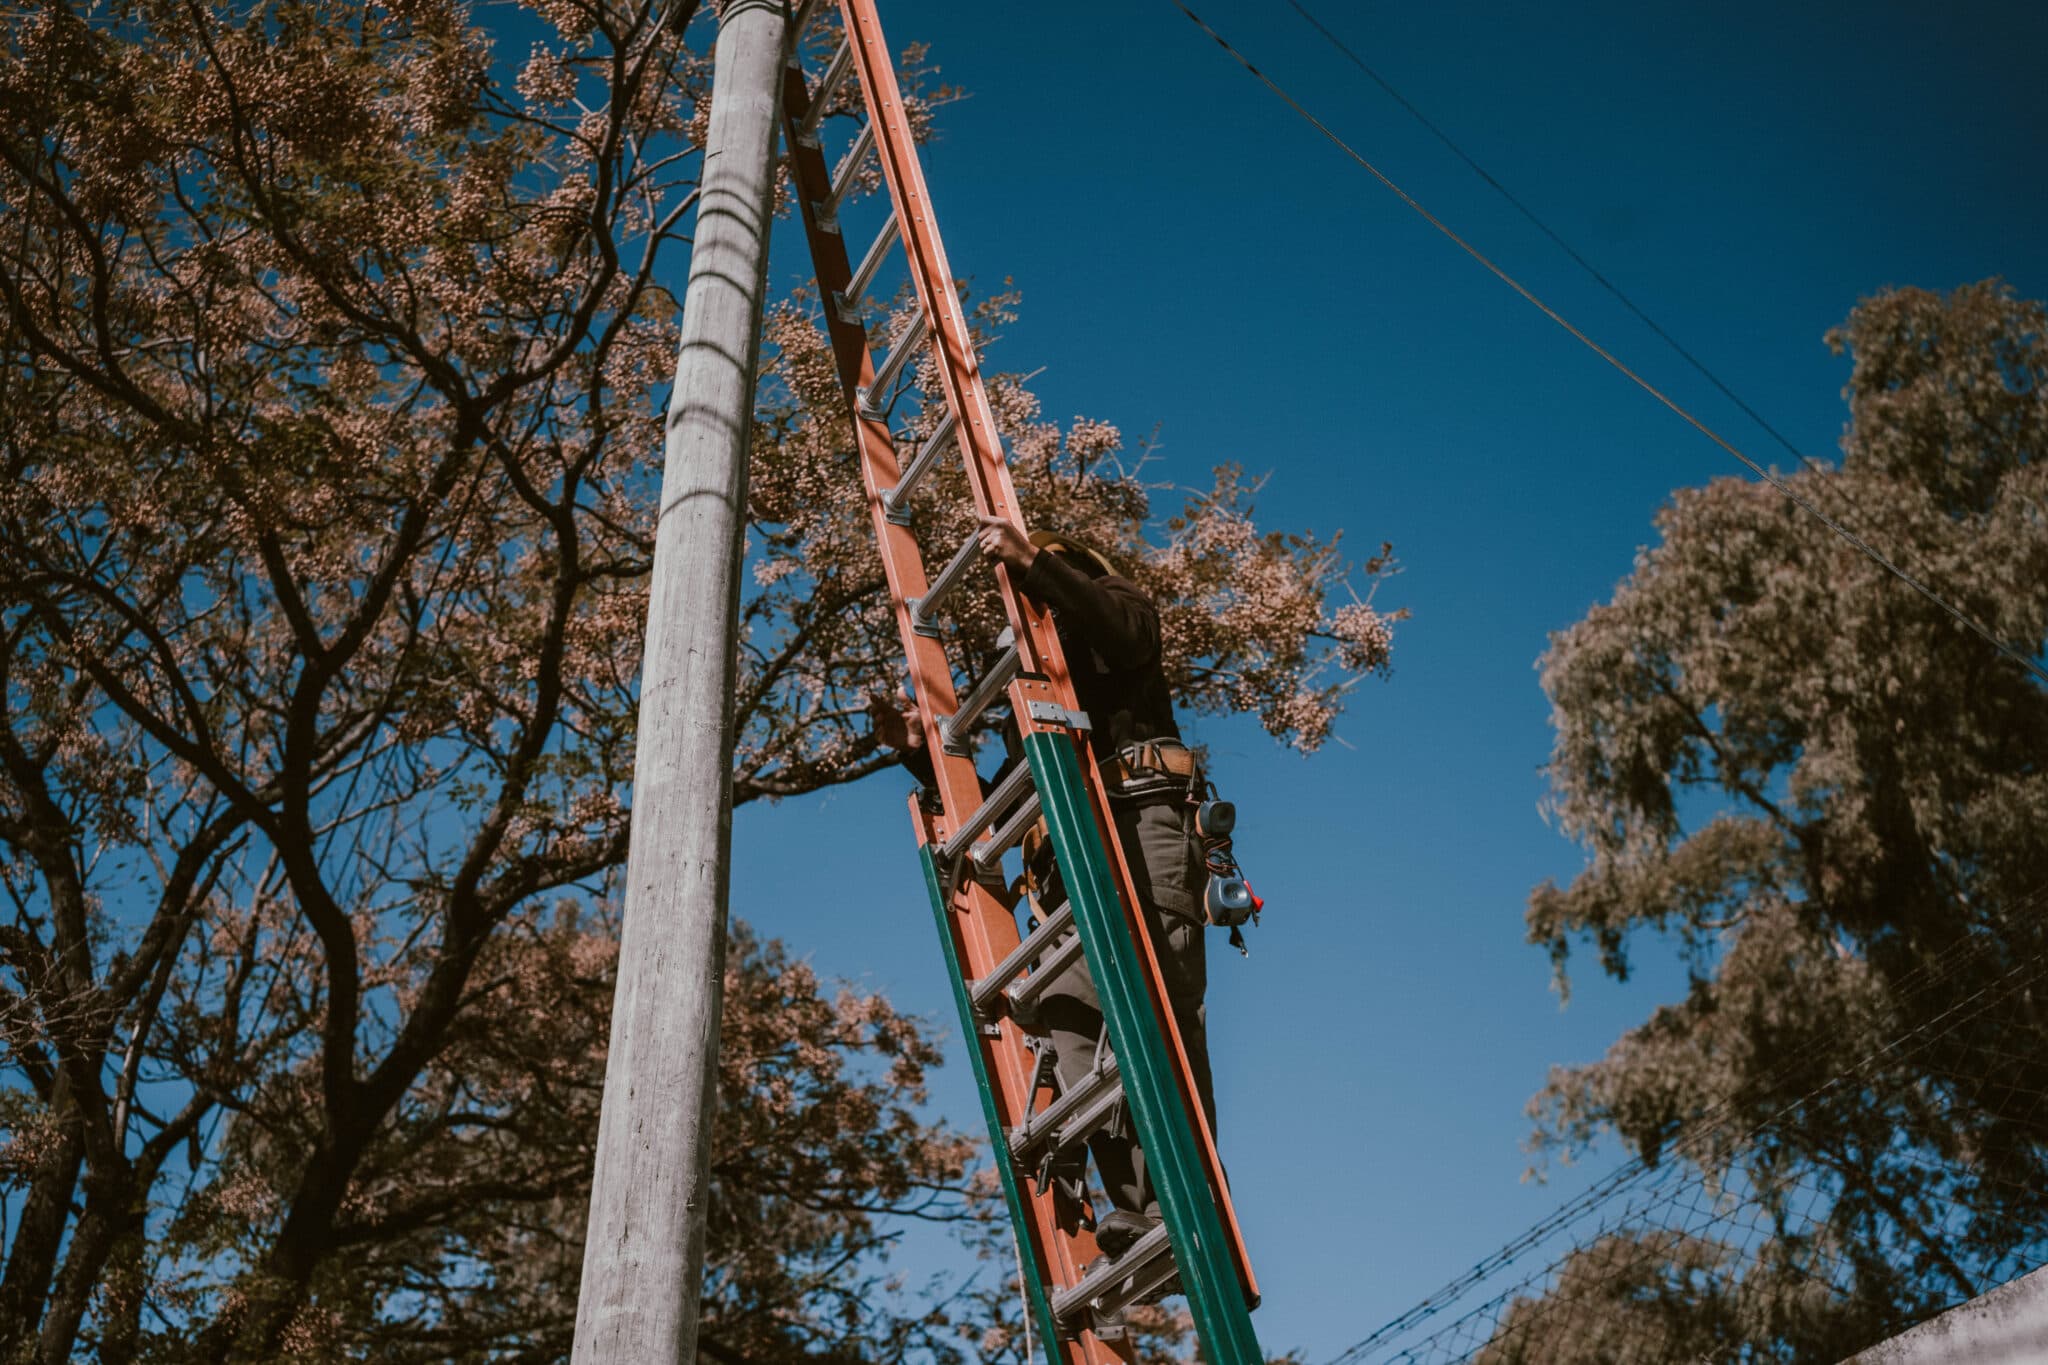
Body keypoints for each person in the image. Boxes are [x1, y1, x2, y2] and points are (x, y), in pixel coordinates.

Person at [872, 514, 1214, 1264]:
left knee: (1157, 998)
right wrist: (919, 757)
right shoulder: (1041, 716)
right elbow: (998, 798)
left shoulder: (1116, 614)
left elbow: (1122, 629)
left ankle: (1183, 1197)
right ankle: (1139, 1210)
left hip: (1137, 825)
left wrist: (1037, 563)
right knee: (1069, 1017)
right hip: (1068, 871)